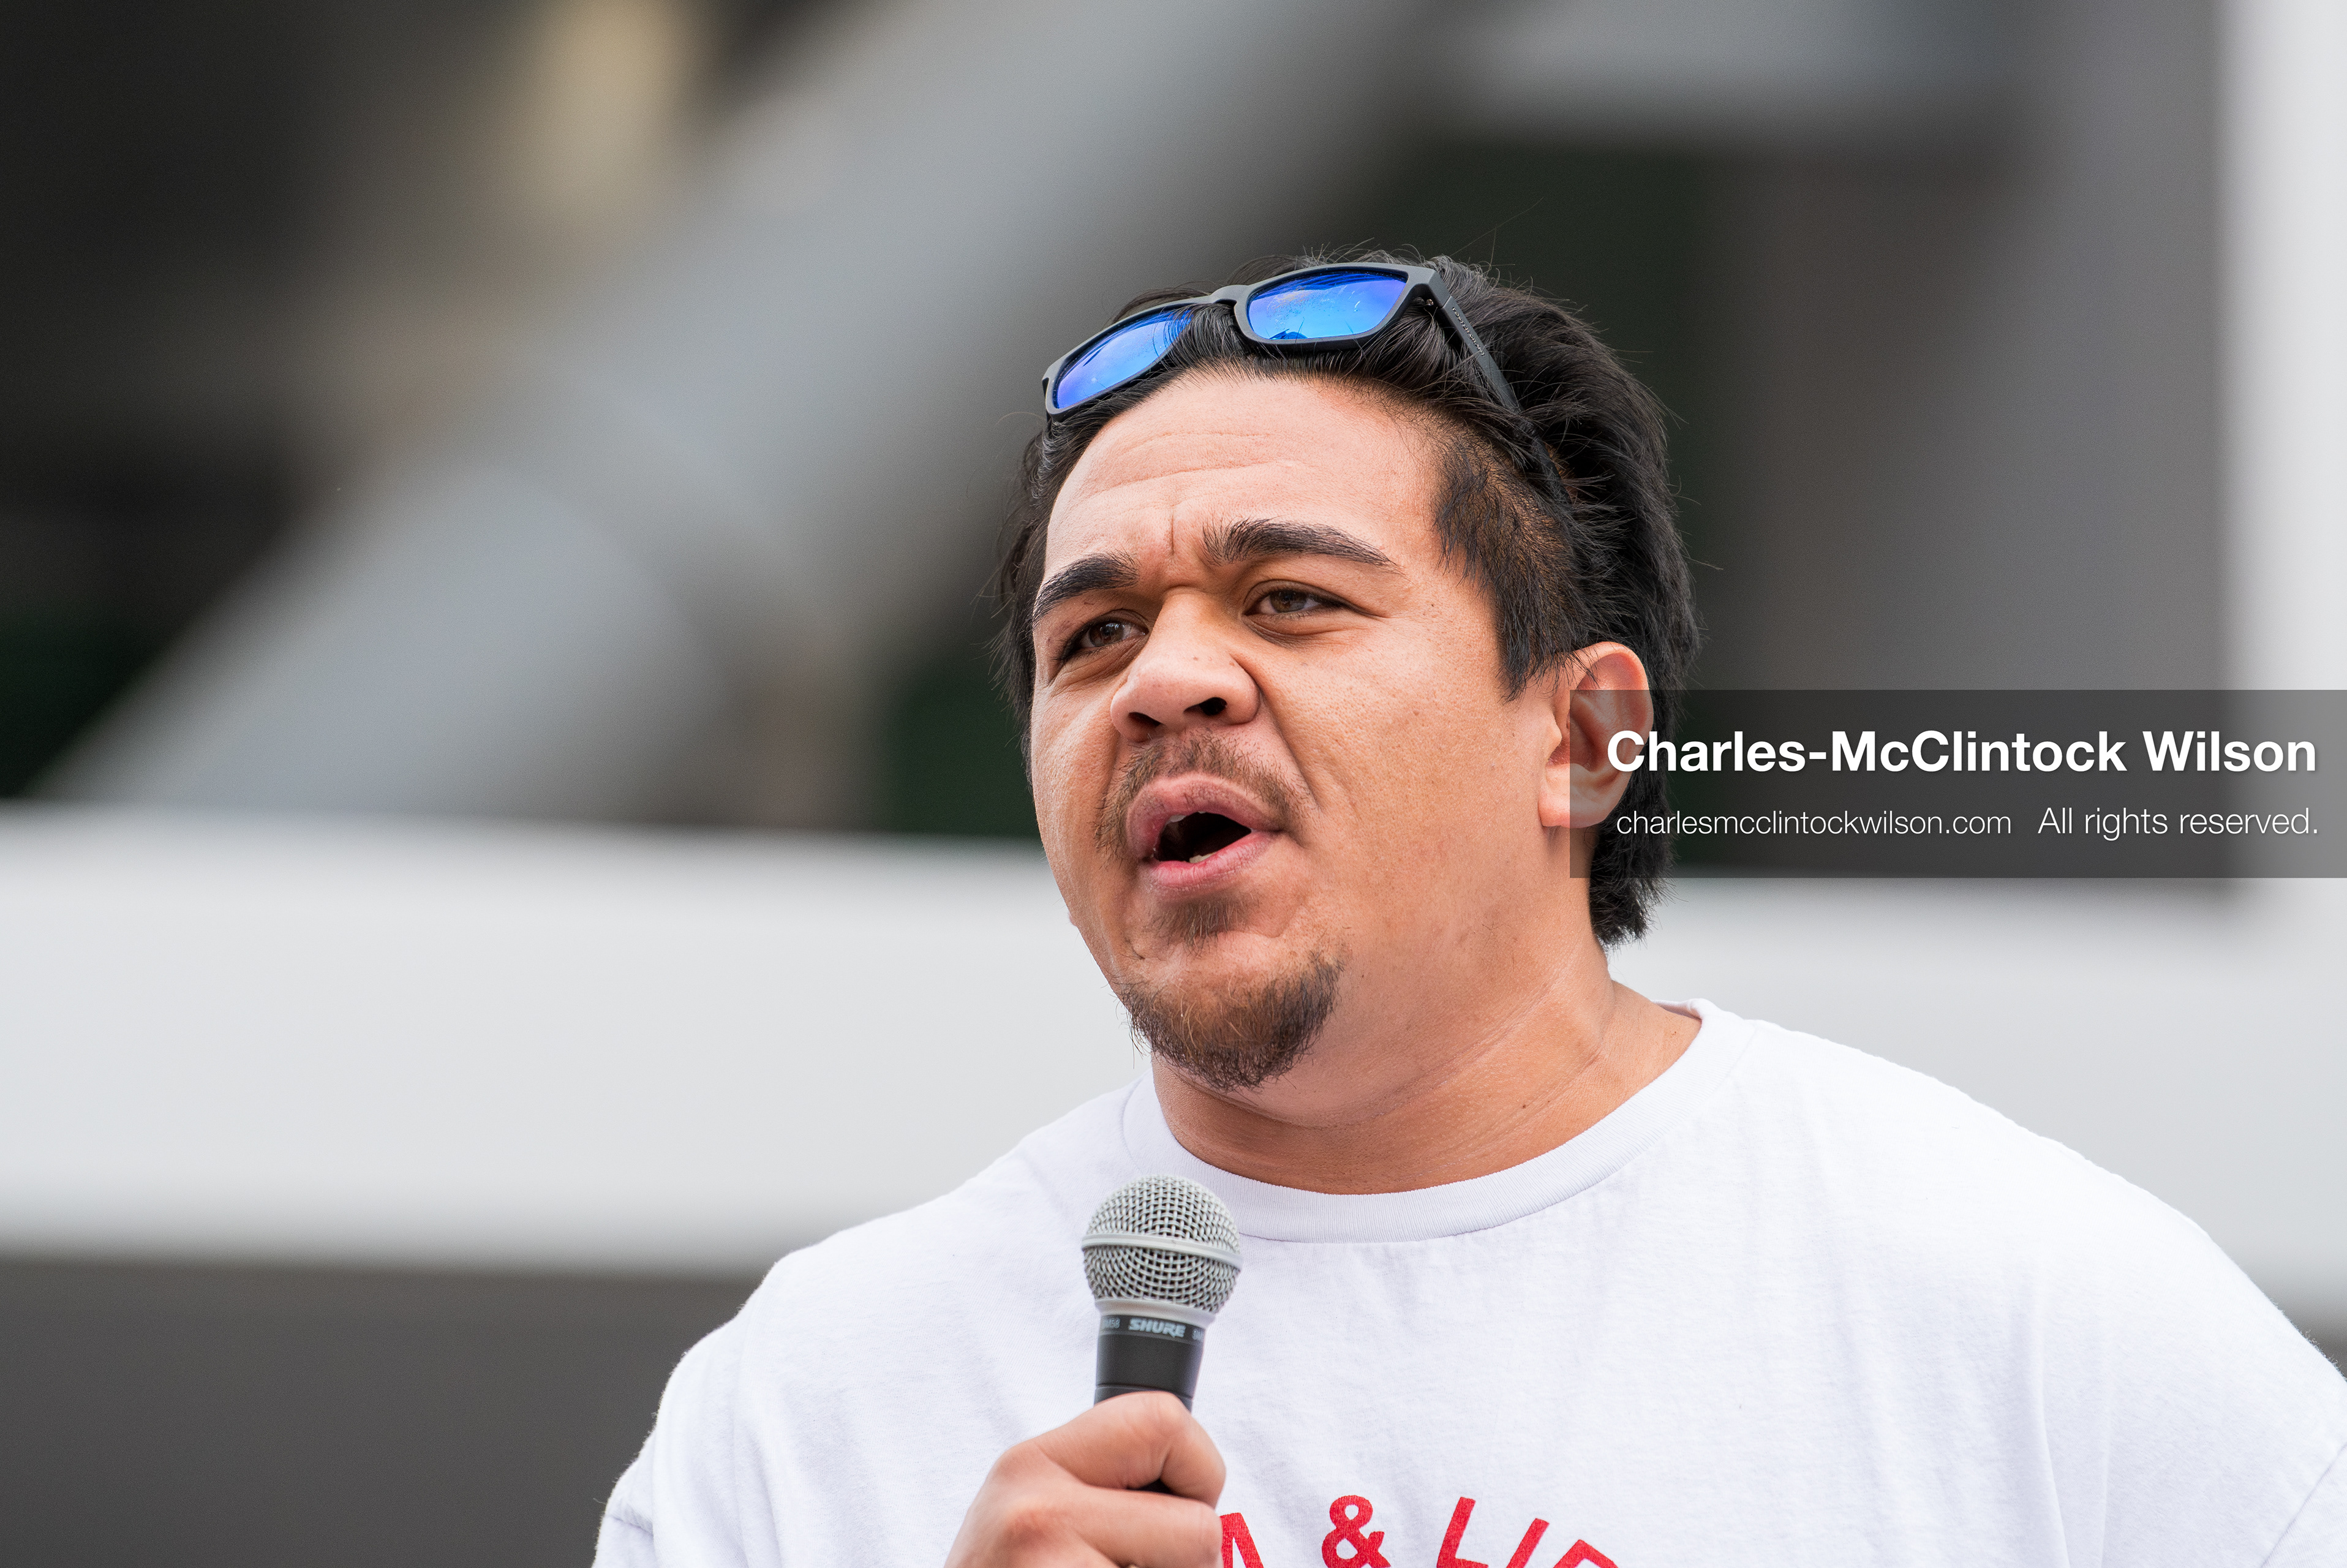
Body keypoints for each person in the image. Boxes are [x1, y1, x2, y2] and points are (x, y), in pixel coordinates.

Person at [594, 254, 2347, 1567]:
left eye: (1289, 599)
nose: (1165, 682)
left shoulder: (2035, 1319)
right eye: (1094, 635)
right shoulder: (813, 1403)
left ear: (1582, 739)